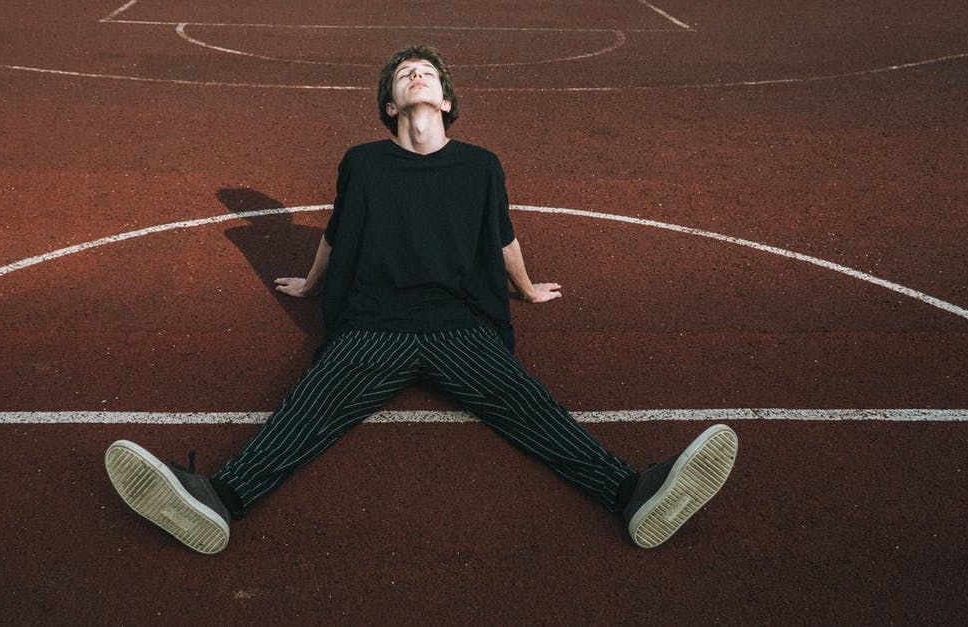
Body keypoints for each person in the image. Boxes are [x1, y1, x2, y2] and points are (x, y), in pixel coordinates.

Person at [104, 45, 738, 554]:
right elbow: (338, 229)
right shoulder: (362, 162)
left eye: (427, 73)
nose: (416, 77)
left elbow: (502, 235)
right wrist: (312, 281)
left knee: (531, 409)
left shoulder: (482, 165)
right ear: (389, 102)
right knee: (307, 411)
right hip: (374, 326)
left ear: (447, 99)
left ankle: (635, 494)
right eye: (406, 74)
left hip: (459, 325)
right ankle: (217, 500)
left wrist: (524, 287)